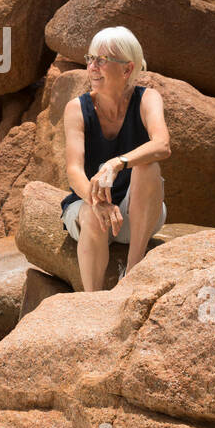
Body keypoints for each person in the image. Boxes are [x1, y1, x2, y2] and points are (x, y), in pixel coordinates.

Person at [61, 25, 171, 291]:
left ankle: (132, 274)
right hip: (89, 205)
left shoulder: (148, 99)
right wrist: (95, 200)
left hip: (137, 216)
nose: (92, 67)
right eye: (90, 59)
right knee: (90, 215)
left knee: (148, 165)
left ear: (127, 69)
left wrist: (117, 162)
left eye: (102, 60)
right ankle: (93, 300)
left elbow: (162, 145)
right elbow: (74, 170)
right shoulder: (77, 108)